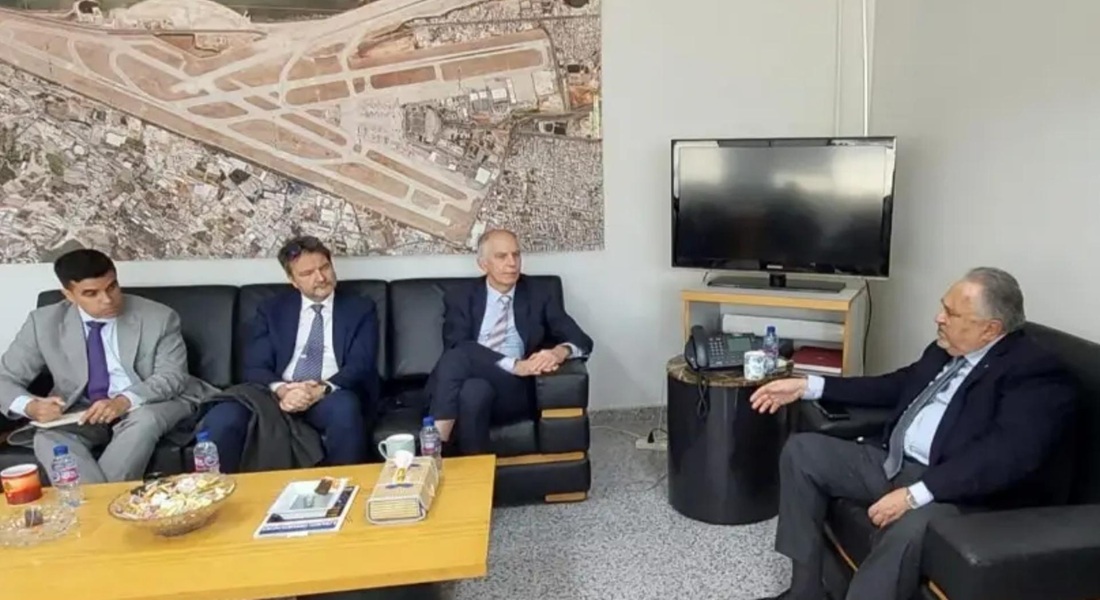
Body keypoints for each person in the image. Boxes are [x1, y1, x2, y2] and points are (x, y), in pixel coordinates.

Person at [748, 267, 1077, 600]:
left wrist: (915, 494)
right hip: (895, 463)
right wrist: (809, 386)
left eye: (951, 313)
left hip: (958, 491)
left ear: (990, 329)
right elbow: (895, 385)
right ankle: (806, 592)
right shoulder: (945, 349)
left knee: (907, 529)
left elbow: (1006, 455)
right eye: (943, 307)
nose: (938, 318)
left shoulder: (1034, 372)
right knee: (803, 453)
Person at [0, 249, 215, 483]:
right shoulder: (42, 323)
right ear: (69, 295)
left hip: (150, 402)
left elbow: (172, 377)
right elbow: (5, 378)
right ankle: (107, 502)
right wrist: (30, 406)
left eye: (112, 287)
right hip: (82, 410)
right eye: (91, 293)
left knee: (144, 421)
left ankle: (96, 504)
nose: (107, 299)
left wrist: (123, 401)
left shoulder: (158, 317)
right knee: (47, 436)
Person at [201, 236, 378, 472]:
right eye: (307, 273)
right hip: (276, 394)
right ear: (293, 280)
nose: (321, 278)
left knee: (345, 409)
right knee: (222, 417)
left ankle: (345, 485)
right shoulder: (272, 310)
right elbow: (254, 366)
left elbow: (361, 364)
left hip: (330, 392)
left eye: (325, 267)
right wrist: (284, 390)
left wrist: (319, 390)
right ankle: (219, 488)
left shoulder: (360, 308)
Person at [428, 229, 593, 455]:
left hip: (514, 388)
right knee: (472, 390)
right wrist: (514, 364)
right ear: (483, 264)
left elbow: (581, 340)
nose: (512, 263)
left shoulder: (538, 293)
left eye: (516, 255)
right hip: (472, 382)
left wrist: (558, 352)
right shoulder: (461, 296)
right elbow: (455, 346)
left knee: (461, 357)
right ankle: (472, 472)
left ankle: (434, 446)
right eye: (501, 256)